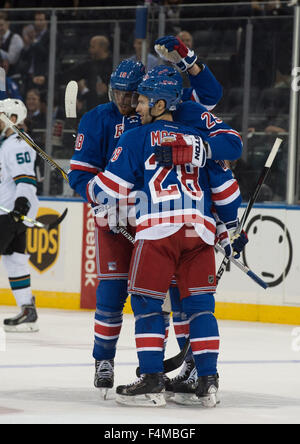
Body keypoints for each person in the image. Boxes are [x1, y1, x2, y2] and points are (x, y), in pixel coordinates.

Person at [68, 36, 242, 399]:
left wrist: (188, 62)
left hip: (154, 224)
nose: (128, 102)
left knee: (164, 300)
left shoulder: (179, 114)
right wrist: (229, 227)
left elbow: (217, 109)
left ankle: (176, 372)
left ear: (154, 98)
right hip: (154, 223)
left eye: (136, 96)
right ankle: (107, 360)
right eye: (120, 94)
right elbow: (225, 184)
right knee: (117, 293)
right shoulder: (100, 119)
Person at [0, 98, 39, 332]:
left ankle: (27, 309)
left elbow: (25, 178)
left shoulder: (17, 142)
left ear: (12, 119)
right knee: (14, 257)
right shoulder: (7, 142)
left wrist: (21, 206)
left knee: (13, 257)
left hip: (10, 212)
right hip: (9, 210)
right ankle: (27, 309)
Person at [60, 35, 113, 109]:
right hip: (92, 106)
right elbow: (68, 75)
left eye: (93, 47)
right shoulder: (88, 64)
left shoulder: (114, 64)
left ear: (102, 48)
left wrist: (108, 89)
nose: (90, 50)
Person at [0, 12, 24, 77]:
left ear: (7, 24)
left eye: (1, 25)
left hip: (13, 76)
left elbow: (12, 59)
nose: (0, 28)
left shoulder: (15, 38)